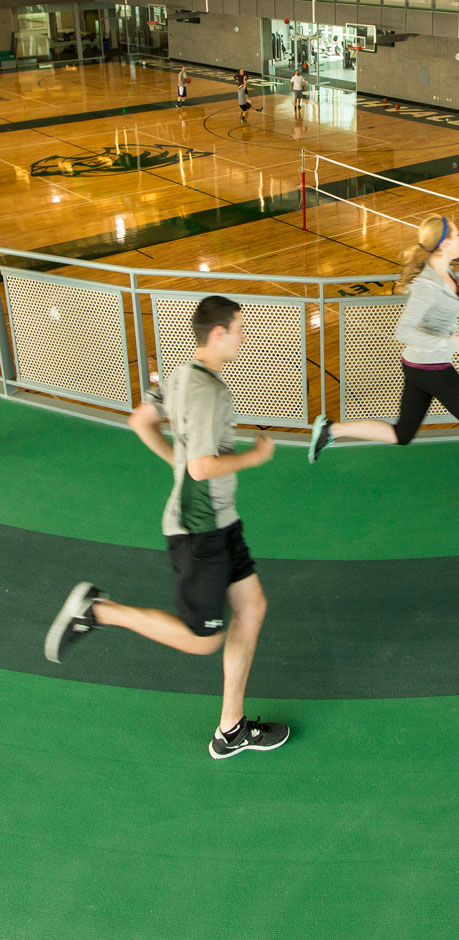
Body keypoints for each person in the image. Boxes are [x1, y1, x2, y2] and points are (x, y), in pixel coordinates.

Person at [45, 295, 290, 760]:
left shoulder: (180, 375)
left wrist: (178, 464)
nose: (243, 338)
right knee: (203, 640)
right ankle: (98, 611)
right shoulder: (206, 391)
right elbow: (201, 467)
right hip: (200, 529)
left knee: (252, 607)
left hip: (221, 520)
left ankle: (231, 729)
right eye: (239, 330)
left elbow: (141, 421)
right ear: (218, 333)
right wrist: (255, 456)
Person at [308, 216, 459, 519]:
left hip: (420, 365)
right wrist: (448, 342)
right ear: (445, 243)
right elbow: (404, 331)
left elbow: (439, 312)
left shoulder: (446, 270)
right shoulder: (428, 283)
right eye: (458, 235)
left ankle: (330, 430)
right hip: (431, 367)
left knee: (403, 434)